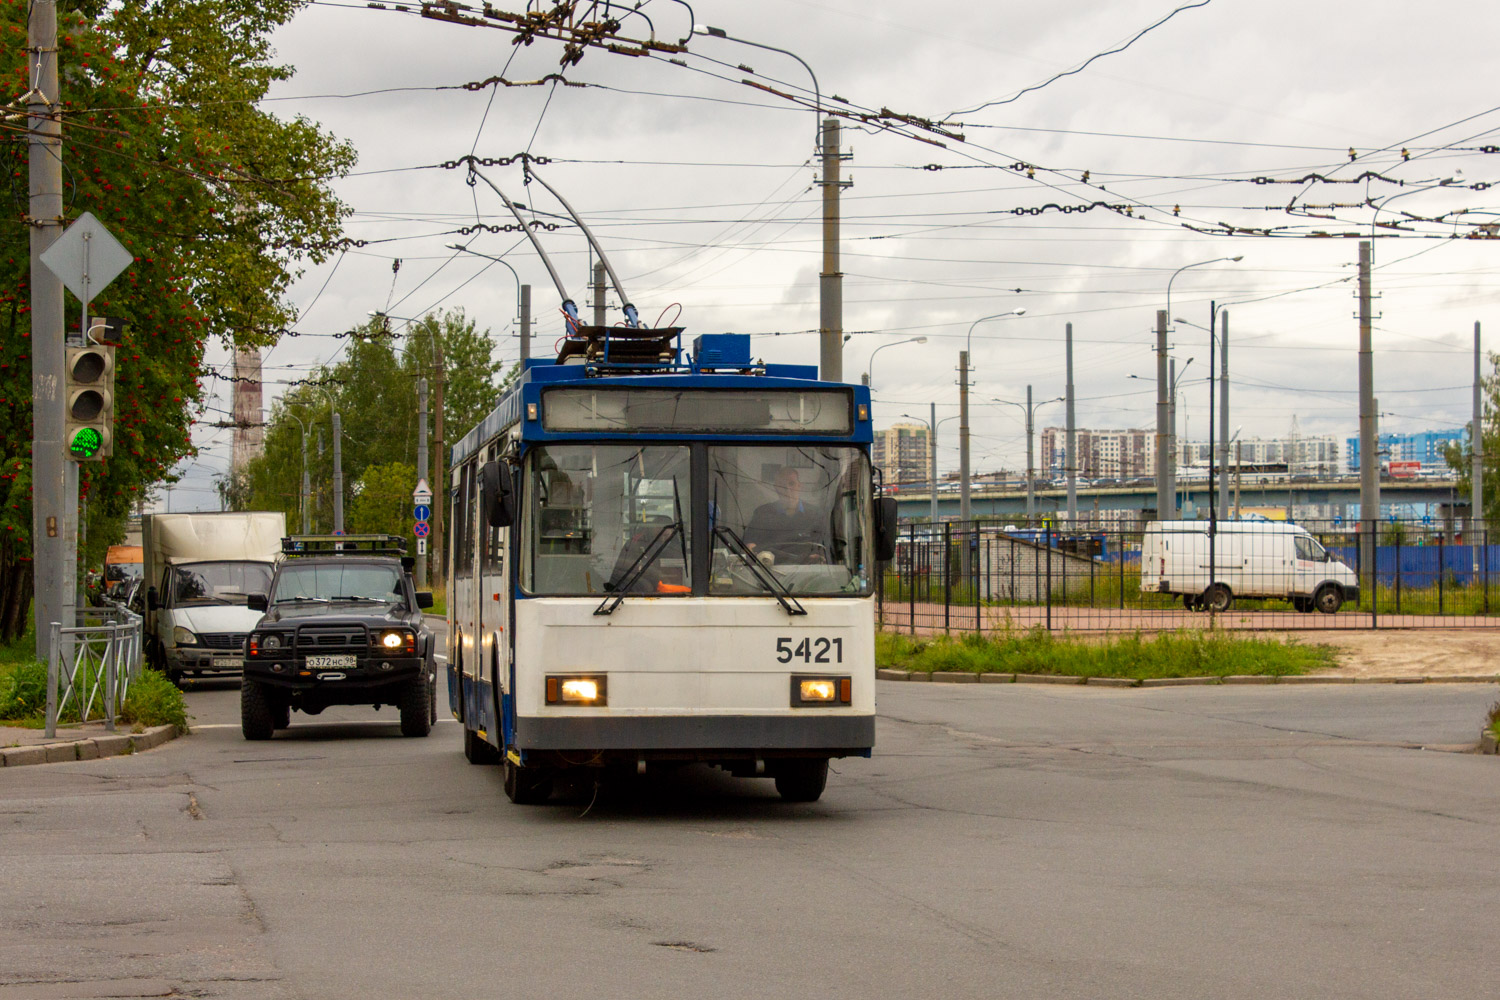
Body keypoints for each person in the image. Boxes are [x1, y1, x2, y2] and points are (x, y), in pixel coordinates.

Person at [745, 467, 827, 562]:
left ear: (799, 486)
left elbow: (825, 548)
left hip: (806, 571)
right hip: (768, 571)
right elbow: (749, 544)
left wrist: (818, 557)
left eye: (791, 484)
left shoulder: (816, 515)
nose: (787, 489)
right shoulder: (763, 513)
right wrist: (753, 553)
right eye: (782, 485)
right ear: (775, 488)